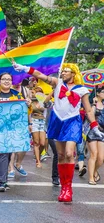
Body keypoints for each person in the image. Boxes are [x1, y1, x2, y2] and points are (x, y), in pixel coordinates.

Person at [14, 62, 103, 202]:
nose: (63, 73)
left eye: (67, 71)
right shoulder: (57, 83)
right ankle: (64, 188)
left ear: (74, 74)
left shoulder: (82, 90)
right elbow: (40, 75)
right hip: (57, 121)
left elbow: (88, 110)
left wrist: (94, 126)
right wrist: (26, 69)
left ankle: (69, 188)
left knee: (69, 153)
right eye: (63, 71)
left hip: (73, 122)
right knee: (60, 155)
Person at [0, 72, 26, 192]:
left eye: (9, 79)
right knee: (2, 153)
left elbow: (23, 111)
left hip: (12, 129)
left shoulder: (17, 95)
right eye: (4, 79)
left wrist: (28, 105)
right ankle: (1, 181)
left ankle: (4, 179)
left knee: (8, 154)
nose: (7, 81)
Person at [87, 86, 104, 185]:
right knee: (94, 154)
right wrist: (93, 104)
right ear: (97, 93)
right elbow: (90, 115)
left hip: (102, 132)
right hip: (93, 131)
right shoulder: (92, 103)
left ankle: (94, 171)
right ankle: (91, 178)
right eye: (103, 92)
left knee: (101, 158)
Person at [29, 87, 49, 168]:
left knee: (43, 143)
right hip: (34, 121)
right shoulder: (30, 102)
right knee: (36, 143)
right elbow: (29, 113)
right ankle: (38, 161)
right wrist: (29, 123)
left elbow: (47, 112)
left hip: (42, 122)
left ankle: (39, 155)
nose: (35, 94)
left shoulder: (43, 101)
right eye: (34, 92)